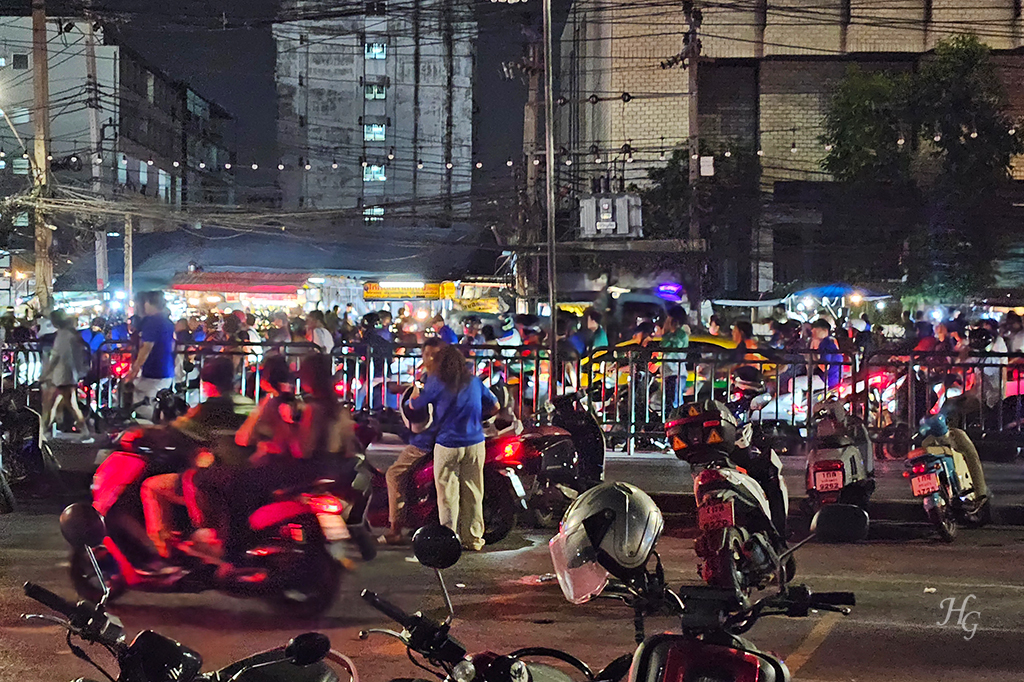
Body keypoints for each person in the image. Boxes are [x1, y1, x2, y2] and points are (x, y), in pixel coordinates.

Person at [140, 357, 250, 558]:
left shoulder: (209, 409)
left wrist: (141, 432)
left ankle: (165, 556)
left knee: (152, 487)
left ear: (206, 384)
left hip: (217, 480)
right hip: (246, 478)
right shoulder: (248, 404)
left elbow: (174, 430)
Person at [407, 344, 498, 551]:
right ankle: (474, 539)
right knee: (474, 491)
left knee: (447, 494)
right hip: (475, 443)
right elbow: (495, 406)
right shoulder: (475, 382)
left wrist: (416, 387)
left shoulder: (436, 383)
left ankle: (450, 537)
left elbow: (414, 405)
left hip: (447, 444)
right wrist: (478, 418)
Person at [384, 338, 444, 544]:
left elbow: (416, 408)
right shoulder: (459, 378)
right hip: (456, 438)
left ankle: (395, 528)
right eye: (426, 354)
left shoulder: (432, 380)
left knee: (394, 473)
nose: (429, 358)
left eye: (433, 354)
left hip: (429, 440)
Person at [125, 292, 176, 420]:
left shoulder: (152, 322)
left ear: (147, 303)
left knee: (134, 399)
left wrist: (133, 371)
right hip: (165, 370)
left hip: (155, 372)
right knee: (150, 401)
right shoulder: (167, 321)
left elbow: (146, 348)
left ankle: (163, 423)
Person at [40, 312, 91, 438]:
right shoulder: (71, 335)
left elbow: (56, 357)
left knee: (63, 404)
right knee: (56, 403)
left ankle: (84, 431)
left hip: (62, 375)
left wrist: (45, 374)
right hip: (67, 374)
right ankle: (44, 431)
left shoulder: (63, 336)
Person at [920, 414, 989, 502]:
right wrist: (981, 494)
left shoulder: (957, 437)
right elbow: (973, 461)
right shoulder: (954, 436)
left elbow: (973, 462)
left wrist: (980, 493)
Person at [658, 305, 690, 411]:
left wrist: (668, 332)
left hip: (675, 373)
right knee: (669, 402)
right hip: (670, 373)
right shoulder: (671, 334)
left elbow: (667, 347)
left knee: (674, 404)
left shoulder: (681, 333)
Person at [810, 318, 843, 389]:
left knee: (792, 382)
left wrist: (813, 353)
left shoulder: (826, 344)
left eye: (816, 330)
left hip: (827, 379)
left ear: (825, 330)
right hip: (835, 377)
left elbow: (824, 367)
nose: (813, 332)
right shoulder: (830, 341)